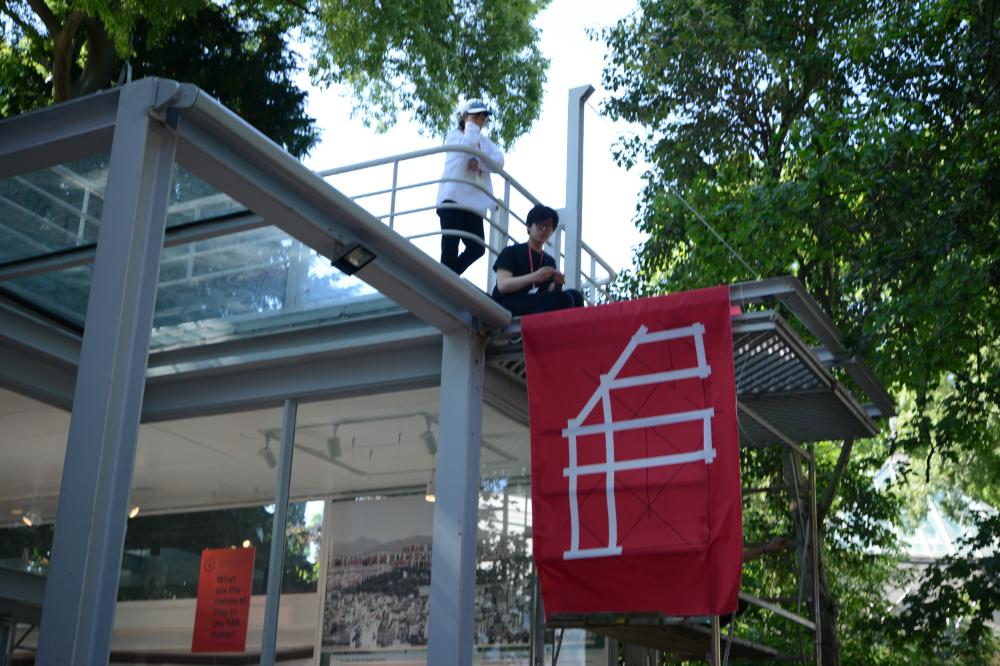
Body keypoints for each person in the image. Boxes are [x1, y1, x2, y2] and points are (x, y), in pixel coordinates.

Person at [436, 99, 504, 275]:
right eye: (477, 116)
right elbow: (467, 147)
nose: (480, 120)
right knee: (450, 247)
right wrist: (471, 126)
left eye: (483, 117)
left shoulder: (485, 142)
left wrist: (480, 162)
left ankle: (448, 276)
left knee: (477, 247)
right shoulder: (454, 135)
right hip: (453, 197)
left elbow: (499, 162)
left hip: (473, 204)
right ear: (464, 116)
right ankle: (446, 278)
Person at [491, 205, 585, 316]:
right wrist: (534, 276)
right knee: (565, 298)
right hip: (505, 302)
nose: (544, 229)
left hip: (531, 302)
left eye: (548, 226)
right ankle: (535, 330)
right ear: (529, 227)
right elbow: (503, 286)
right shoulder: (511, 252)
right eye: (540, 224)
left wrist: (557, 285)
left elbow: (549, 293)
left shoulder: (549, 261)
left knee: (576, 296)